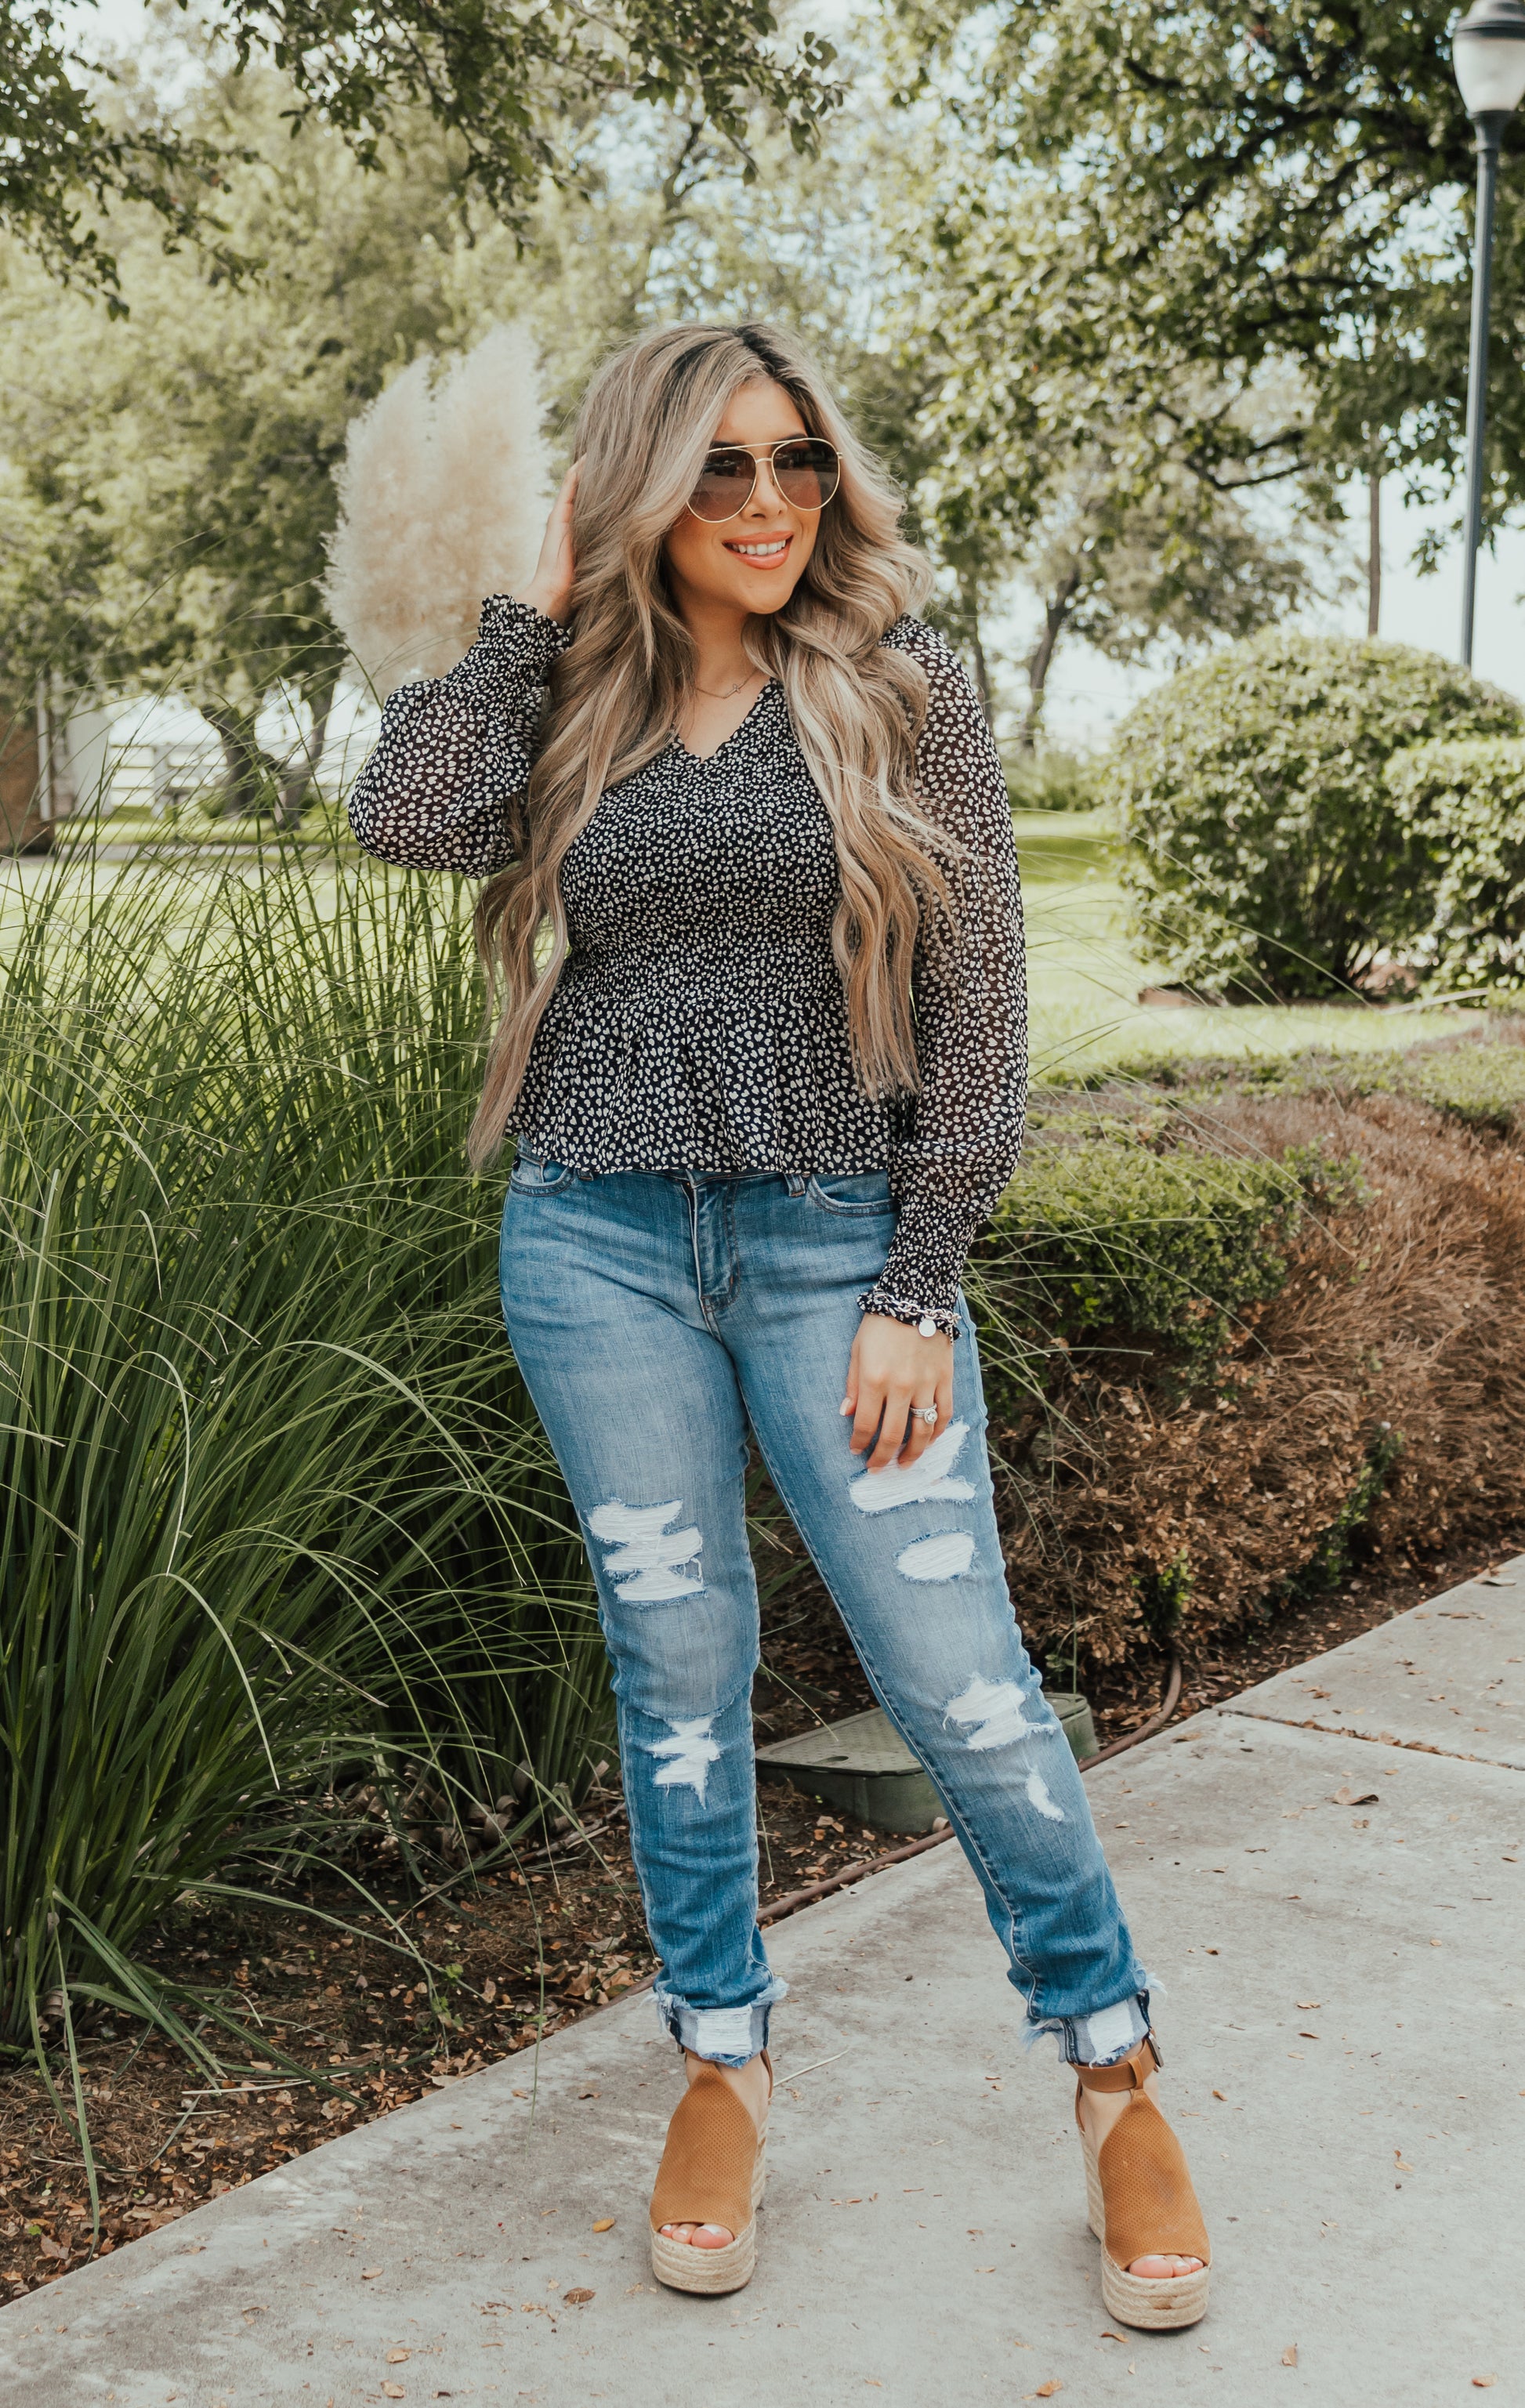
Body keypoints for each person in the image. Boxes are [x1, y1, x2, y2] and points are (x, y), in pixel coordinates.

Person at [347, 320, 1211, 2328]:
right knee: (677, 1665)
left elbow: (983, 1015)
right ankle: (722, 2057)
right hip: (596, 1239)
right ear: (642, 485)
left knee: (958, 1677)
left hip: (838, 1246)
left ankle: (1111, 2065)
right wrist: (530, 609)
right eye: (720, 466)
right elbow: (405, 820)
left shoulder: (906, 687)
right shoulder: (569, 691)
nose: (766, 502)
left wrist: (918, 1283)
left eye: (797, 461)